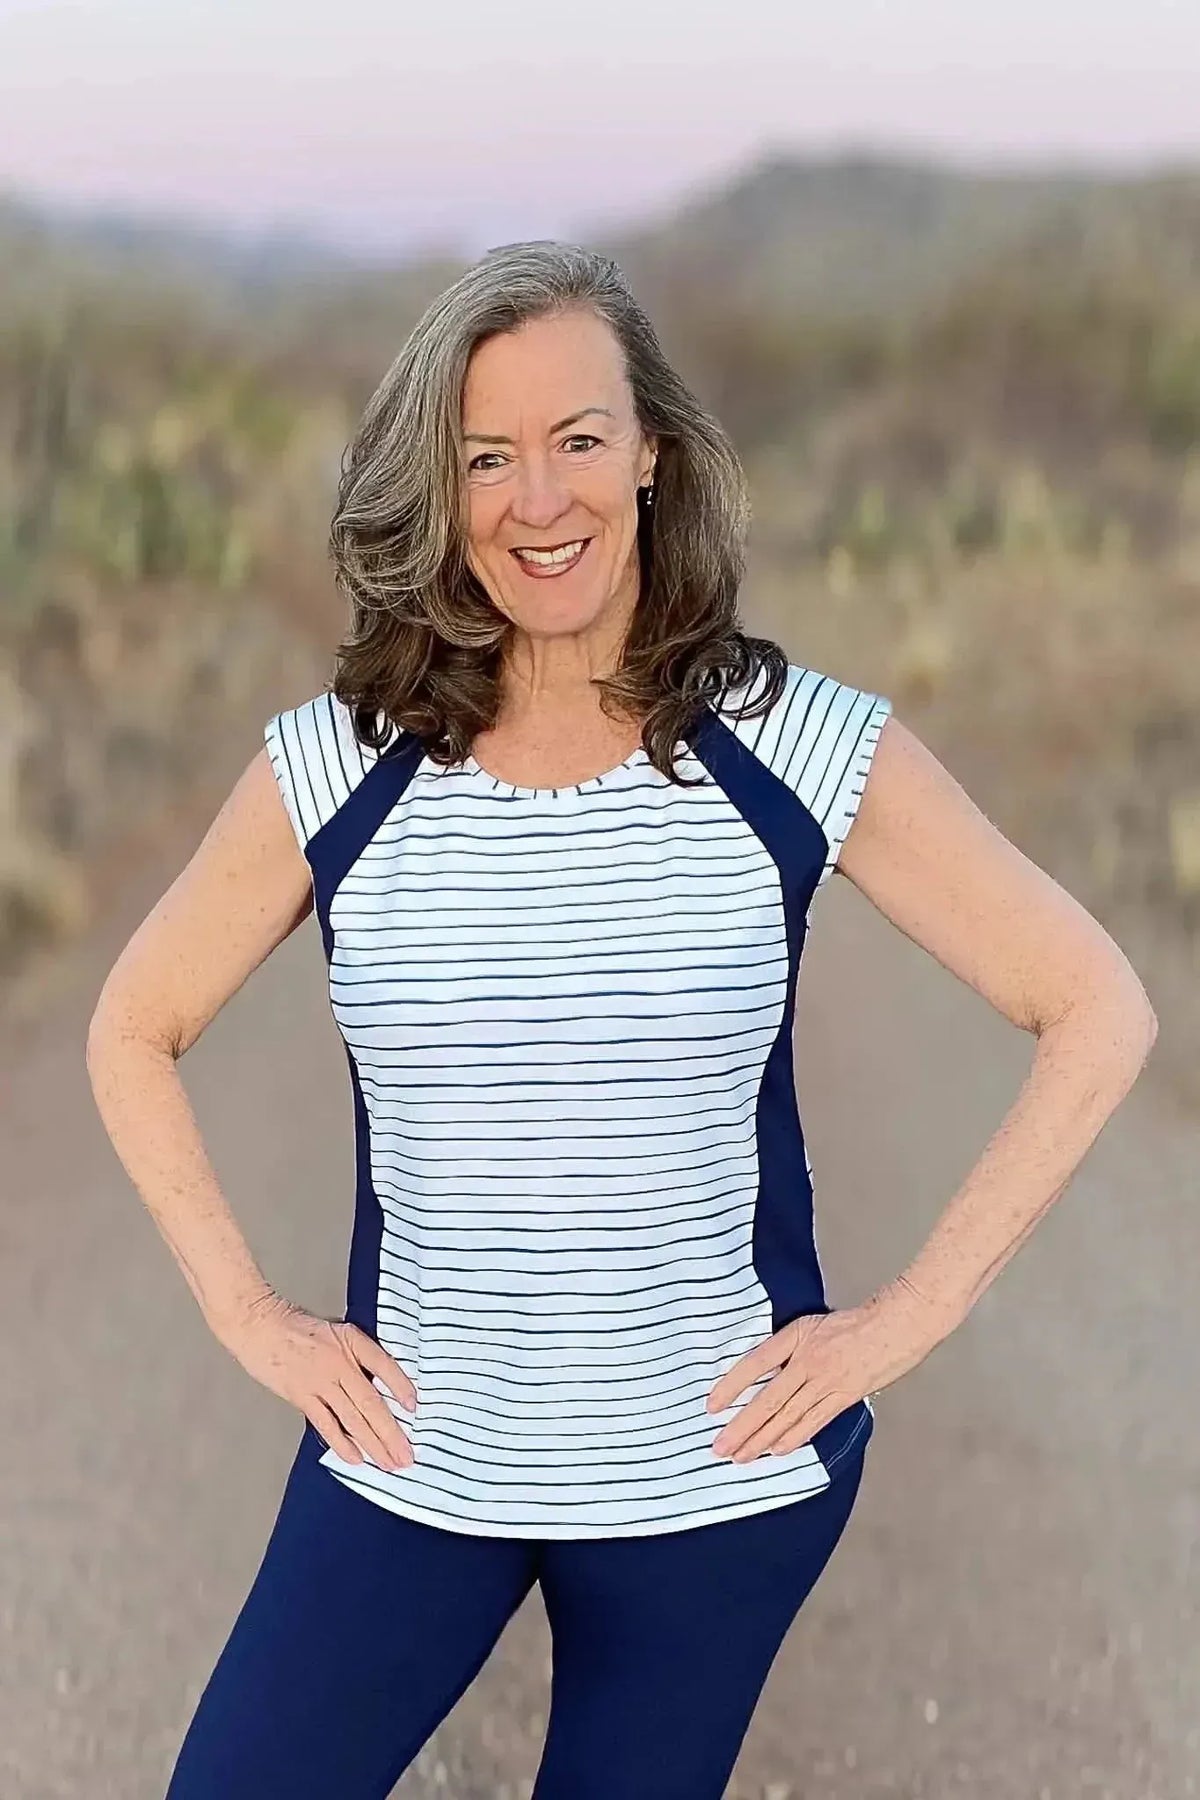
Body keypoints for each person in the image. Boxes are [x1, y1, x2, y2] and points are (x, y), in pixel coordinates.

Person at [85, 240, 1158, 1800]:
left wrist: (906, 1319)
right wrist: (249, 1315)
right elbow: (132, 1025)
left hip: (705, 1493)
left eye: (580, 441)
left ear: (651, 451)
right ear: (440, 489)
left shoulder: (789, 742)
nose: (541, 500)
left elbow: (1095, 1005)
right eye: (489, 458)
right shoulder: (347, 762)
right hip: (415, 1469)